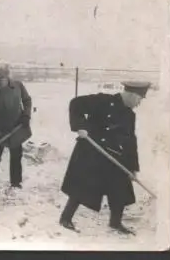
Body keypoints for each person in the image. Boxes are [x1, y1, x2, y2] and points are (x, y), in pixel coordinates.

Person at [59, 81, 151, 235]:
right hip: (92, 150)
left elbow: (130, 141)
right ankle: (65, 218)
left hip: (114, 154)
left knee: (120, 187)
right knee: (82, 185)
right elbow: (75, 104)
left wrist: (133, 167)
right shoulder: (103, 100)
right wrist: (80, 126)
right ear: (131, 94)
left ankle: (115, 223)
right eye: (139, 99)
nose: (139, 103)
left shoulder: (129, 115)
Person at [0, 65, 33, 190]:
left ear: (7, 77)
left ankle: (16, 183)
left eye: (1, 80)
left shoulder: (18, 86)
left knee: (16, 155)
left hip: (16, 126)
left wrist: (26, 115)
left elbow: (27, 100)